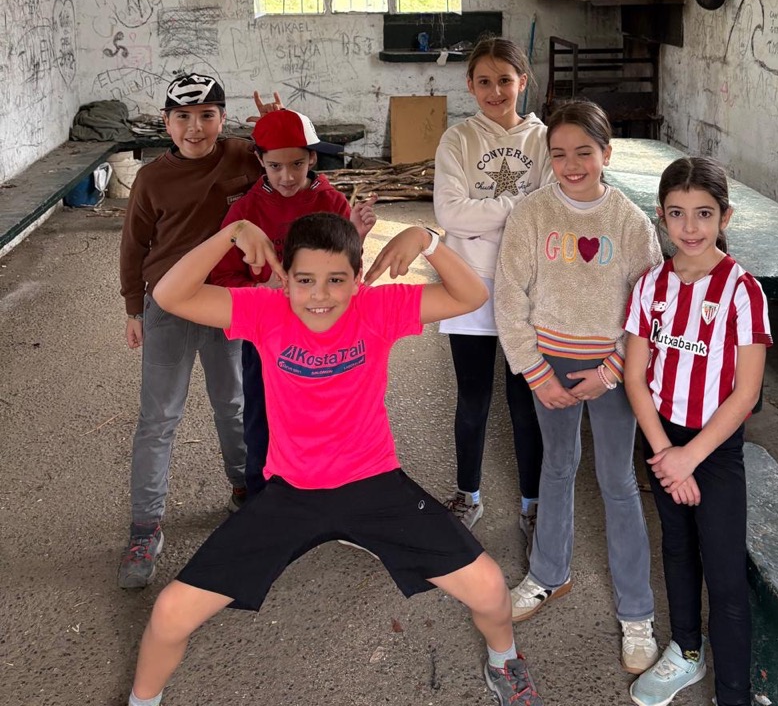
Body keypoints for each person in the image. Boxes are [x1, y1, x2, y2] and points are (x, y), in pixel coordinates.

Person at [126, 213, 546, 706]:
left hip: (373, 487)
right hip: (290, 495)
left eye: (336, 280)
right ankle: (142, 699)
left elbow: (471, 295)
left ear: (358, 277)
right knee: (170, 612)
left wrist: (426, 240)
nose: (320, 296)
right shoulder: (264, 310)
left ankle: (503, 661)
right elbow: (169, 295)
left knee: (490, 587)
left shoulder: (377, 308)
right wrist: (232, 232)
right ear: (284, 278)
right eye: (305, 280)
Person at [494, 100, 663, 676]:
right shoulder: (531, 214)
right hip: (551, 367)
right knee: (557, 466)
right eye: (560, 153)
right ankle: (549, 573)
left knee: (618, 480)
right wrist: (536, 372)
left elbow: (649, 309)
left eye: (584, 152)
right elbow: (509, 295)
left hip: (613, 373)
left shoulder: (630, 223)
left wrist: (612, 369)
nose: (571, 165)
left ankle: (637, 613)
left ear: (606, 154)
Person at [118, 75, 278, 589]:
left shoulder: (242, 156)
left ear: (223, 120)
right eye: (183, 117)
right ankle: (145, 527)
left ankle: (244, 489)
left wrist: (275, 128)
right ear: (165, 123)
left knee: (232, 402)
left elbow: (289, 172)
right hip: (168, 304)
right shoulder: (152, 179)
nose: (195, 128)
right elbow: (133, 245)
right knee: (159, 417)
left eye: (207, 116)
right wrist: (134, 308)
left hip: (226, 303)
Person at [623, 156, 771, 706]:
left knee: (726, 573)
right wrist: (666, 453)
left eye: (704, 213)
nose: (690, 227)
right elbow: (635, 378)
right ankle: (686, 650)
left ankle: (733, 693)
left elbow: (746, 393)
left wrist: (691, 458)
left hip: (715, 447)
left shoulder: (743, 291)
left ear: (724, 217)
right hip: (662, 439)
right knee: (679, 547)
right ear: (661, 217)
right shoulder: (650, 286)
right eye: (677, 213)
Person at [208, 108, 378, 498]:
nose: (287, 176)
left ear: (312, 158)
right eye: (276, 166)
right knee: (262, 418)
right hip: (266, 338)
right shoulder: (244, 212)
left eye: (297, 164)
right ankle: (261, 498)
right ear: (259, 161)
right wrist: (262, 288)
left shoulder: (332, 202)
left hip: (323, 336)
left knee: (326, 416)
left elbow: (347, 273)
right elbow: (222, 278)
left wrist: (356, 236)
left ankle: (322, 493)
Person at [433, 36, 551, 541]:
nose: (495, 91)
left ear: (522, 81)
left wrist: (484, 217)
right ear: (470, 85)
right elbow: (449, 213)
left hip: (529, 285)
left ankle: (532, 504)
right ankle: (468, 495)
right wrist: (520, 208)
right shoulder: (458, 140)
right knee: (473, 397)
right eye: (484, 81)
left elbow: (551, 212)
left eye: (505, 80)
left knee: (525, 400)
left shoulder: (544, 140)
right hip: (470, 284)